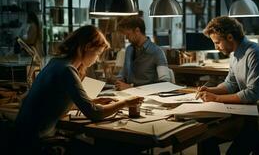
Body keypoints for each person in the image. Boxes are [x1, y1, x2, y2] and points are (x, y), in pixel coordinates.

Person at [14, 25, 144, 154]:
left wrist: (93, 101)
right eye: (98, 53)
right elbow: (94, 114)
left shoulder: (56, 62)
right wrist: (126, 102)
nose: (97, 59)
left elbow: (56, 102)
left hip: (23, 139)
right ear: (87, 47)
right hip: (37, 144)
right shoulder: (67, 70)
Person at [196, 16, 259, 155]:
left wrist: (216, 98)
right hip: (248, 111)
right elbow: (230, 84)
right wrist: (211, 90)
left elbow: (251, 94)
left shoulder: (255, 54)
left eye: (217, 42)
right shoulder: (234, 54)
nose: (215, 47)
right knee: (205, 137)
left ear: (230, 37)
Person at [113, 16, 171, 90]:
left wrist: (131, 88)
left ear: (137, 31)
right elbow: (124, 73)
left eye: (128, 34)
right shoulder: (129, 50)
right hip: (129, 94)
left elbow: (165, 83)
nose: (127, 38)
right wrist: (119, 80)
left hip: (147, 96)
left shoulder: (157, 52)